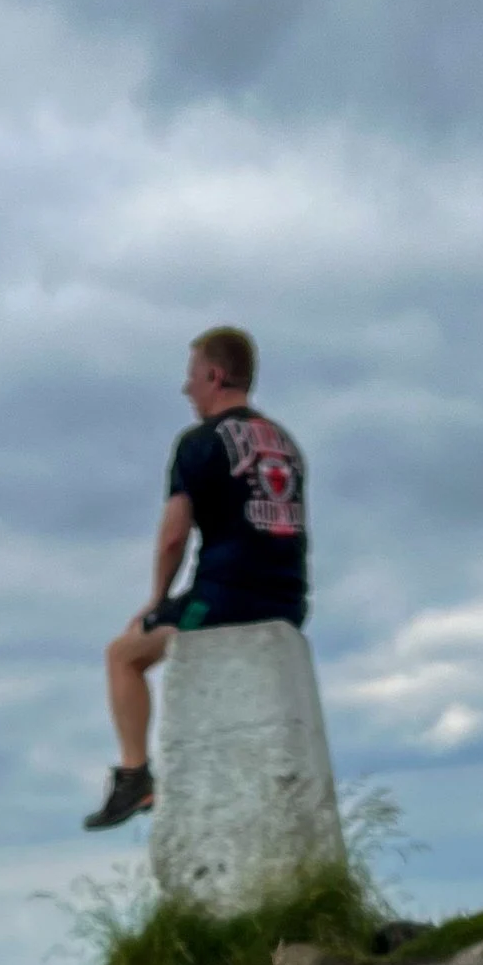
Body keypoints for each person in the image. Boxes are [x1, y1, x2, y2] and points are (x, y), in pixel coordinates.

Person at [85, 326, 309, 831]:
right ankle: (135, 778)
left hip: (227, 597)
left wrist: (156, 600)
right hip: (290, 599)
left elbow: (172, 537)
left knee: (123, 655)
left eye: (191, 377)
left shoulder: (198, 443)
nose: (186, 389)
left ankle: (134, 776)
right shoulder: (284, 442)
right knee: (142, 641)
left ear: (214, 375)